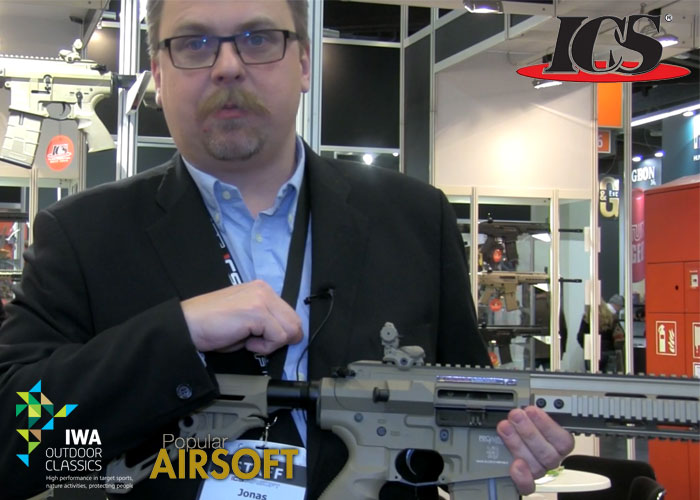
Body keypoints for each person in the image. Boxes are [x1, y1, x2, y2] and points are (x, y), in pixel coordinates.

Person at [0, 1, 574, 499]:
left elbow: (467, 410)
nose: (228, 66)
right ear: (159, 73)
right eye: (194, 43)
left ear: (303, 63)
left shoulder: (415, 218)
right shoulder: (83, 235)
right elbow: (16, 447)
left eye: (258, 38)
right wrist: (178, 335)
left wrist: (508, 446)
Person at [576, 295, 625, 372]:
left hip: (592, 352)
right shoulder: (612, 316)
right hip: (609, 352)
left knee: (593, 377)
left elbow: (580, 337)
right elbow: (620, 334)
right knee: (609, 377)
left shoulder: (587, 318)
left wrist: (587, 347)